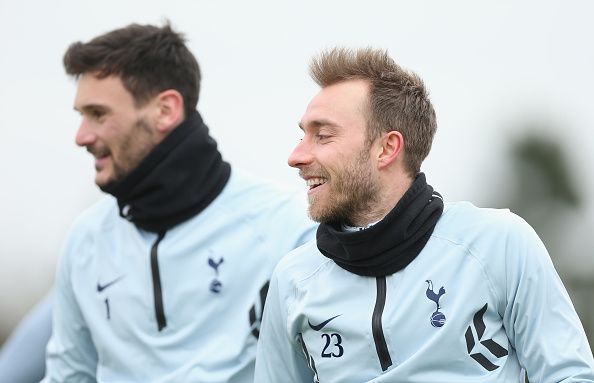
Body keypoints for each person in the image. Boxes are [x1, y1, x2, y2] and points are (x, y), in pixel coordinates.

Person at [254, 47, 594, 382]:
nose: (296, 156)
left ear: (387, 148)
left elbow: (569, 376)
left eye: (322, 135)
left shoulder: (498, 243)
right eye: (303, 135)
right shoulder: (293, 279)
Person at [43, 22, 316, 382]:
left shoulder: (288, 225)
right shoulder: (85, 239)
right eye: (81, 116)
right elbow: (69, 375)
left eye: (99, 114)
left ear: (165, 110)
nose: (82, 136)